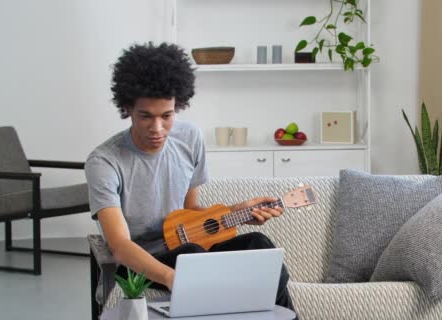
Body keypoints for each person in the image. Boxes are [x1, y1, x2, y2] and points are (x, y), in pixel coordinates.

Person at [85, 42, 295, 311]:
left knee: (260, 246)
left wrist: (236, 211)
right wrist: (172, 277)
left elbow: (192, 212)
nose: (157, 128)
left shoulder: (190, 138)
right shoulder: (104, 162)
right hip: (141, 264)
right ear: (127, 109)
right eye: (145, 116)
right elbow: (120, 246)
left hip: (188, 250)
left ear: (178, 106)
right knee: (193, 257)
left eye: (167, 116)